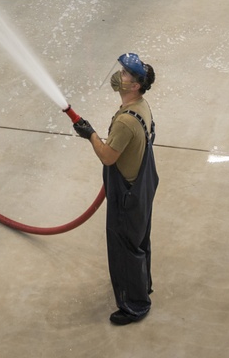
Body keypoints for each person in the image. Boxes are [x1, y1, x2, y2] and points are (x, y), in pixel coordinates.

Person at [73, 52, 158, 326]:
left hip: (127, 194)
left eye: (124, 74)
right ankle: (141, 286)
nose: (118, 76)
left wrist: (90, 135)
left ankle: (134, 305)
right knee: (138, 241)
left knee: (124, 248)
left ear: (135, 85)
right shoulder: (142, 106)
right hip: (143, 185)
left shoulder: (125, 121)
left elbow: (109, 156)